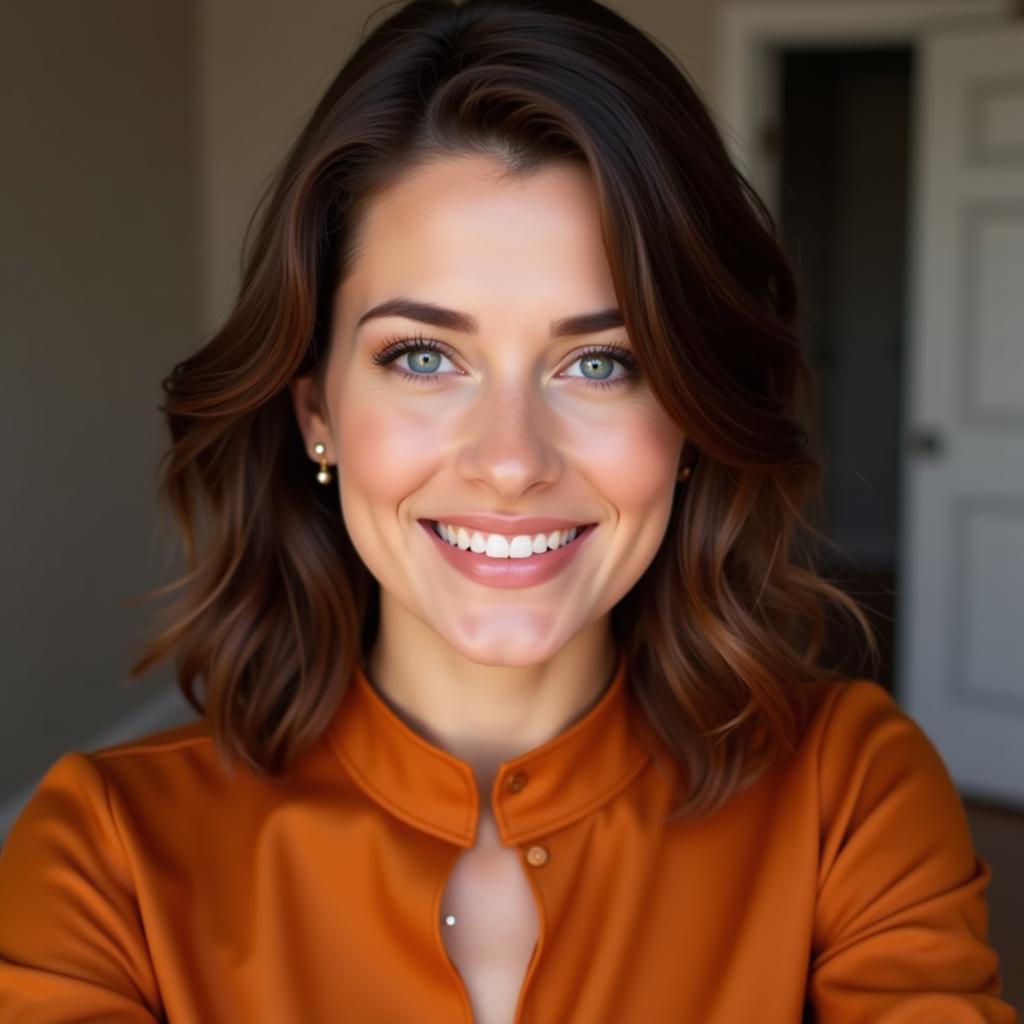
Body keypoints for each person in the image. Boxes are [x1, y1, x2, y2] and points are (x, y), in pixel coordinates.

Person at [0, 1, 1016, 1021]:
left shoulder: (849, 791)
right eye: (425, 356)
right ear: (317, 411)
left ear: (694, 418)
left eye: (601, 362)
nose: (510, 460)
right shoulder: (108, 849)